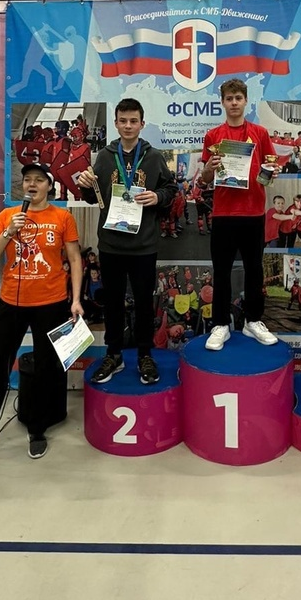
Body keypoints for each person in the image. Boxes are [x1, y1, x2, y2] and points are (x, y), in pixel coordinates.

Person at [0, 164, 83, 467]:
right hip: (11, 303)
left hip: (52, 303)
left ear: (49, 186)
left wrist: (75, 300)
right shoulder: (7, 216)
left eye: (39, 180)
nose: (32, 184)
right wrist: (9, 232)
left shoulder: (62, 217)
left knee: (45, 370)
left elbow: (74, 259)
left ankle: (37, 429)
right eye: (27, 179)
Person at [77, 98, 177, 385]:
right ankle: (114, 354)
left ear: (142, 124)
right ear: (116, 123)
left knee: (145, 302)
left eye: (134, 121)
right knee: (113, 303)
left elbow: (171, 189)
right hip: (111, 244)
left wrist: (158, 196)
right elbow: (93, 197)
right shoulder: (105, 156)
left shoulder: (154, 157)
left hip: (144, 245)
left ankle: (145, 354)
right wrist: (85, 186)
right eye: (123, 121)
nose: (128, 126)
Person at [198, 79, 280, 350]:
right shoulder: (213, 136)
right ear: (222, 102)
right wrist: (209, 168)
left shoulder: (260, 133)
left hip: (253, 212)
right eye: (229, 98)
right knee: (221, 271)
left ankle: (252, 321)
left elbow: (268, 171)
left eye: (238, 98)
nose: (234, 103)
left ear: (246, 101)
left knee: (254, 269)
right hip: (224, 212)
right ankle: (220, 324)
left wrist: (271, 173)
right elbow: (205, 179)